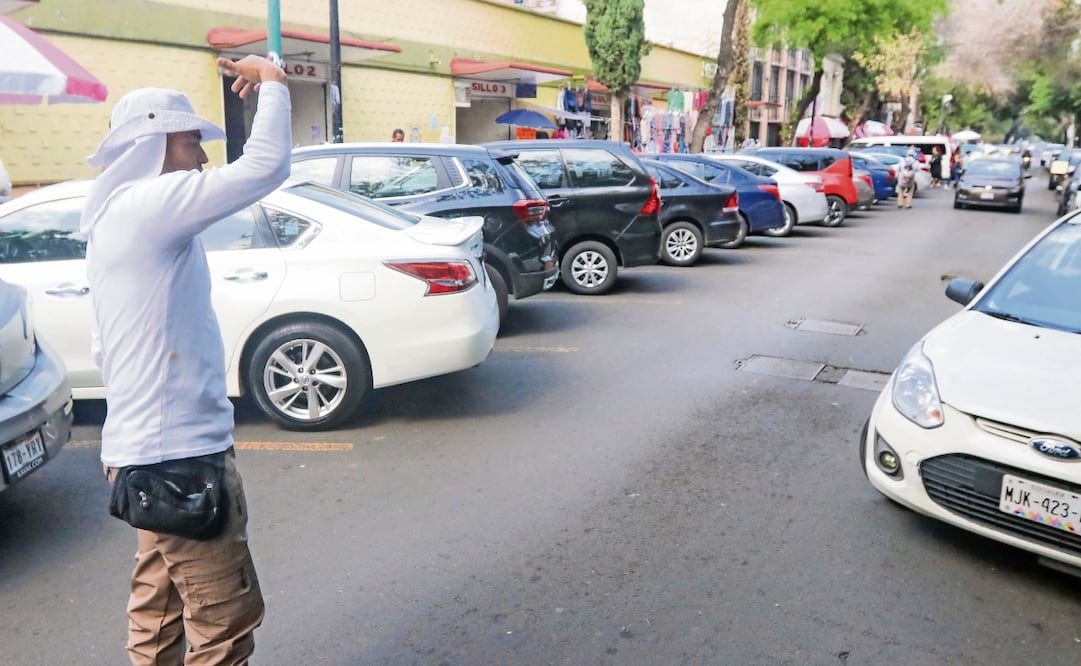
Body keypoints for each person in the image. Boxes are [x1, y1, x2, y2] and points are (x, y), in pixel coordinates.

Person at [79, 54, 291, 665]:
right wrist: (273, 85)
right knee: (224, 622)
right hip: (179, 460)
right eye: (192, 142)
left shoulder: (115, 220)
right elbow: (264, 167)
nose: (200, 156)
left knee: (160, 610)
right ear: (157, 144)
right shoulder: (149, 205)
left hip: (143, 455)